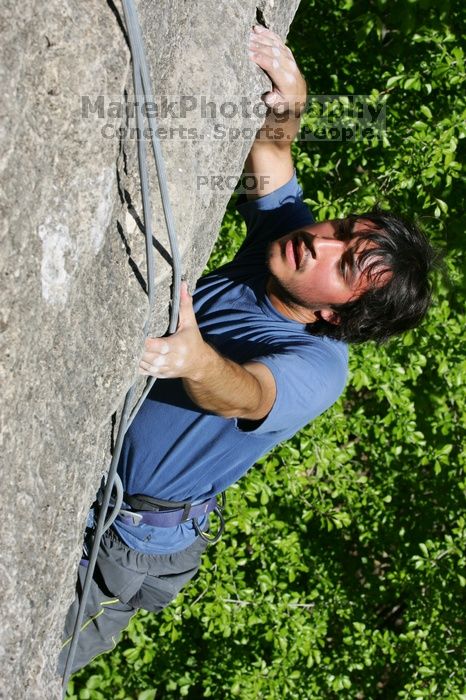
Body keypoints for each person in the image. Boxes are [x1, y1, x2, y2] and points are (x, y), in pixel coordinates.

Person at [58, 25, 436, 674]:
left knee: (38, 653)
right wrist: (292, 99)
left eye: (342, 264)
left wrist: (195, 360)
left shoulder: (319, 367)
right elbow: (275, 158)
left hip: (132, 538)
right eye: (342, 230)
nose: (319, 240)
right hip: (100, 478)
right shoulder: (285, 240)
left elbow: (249, 392)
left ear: (337, 314)